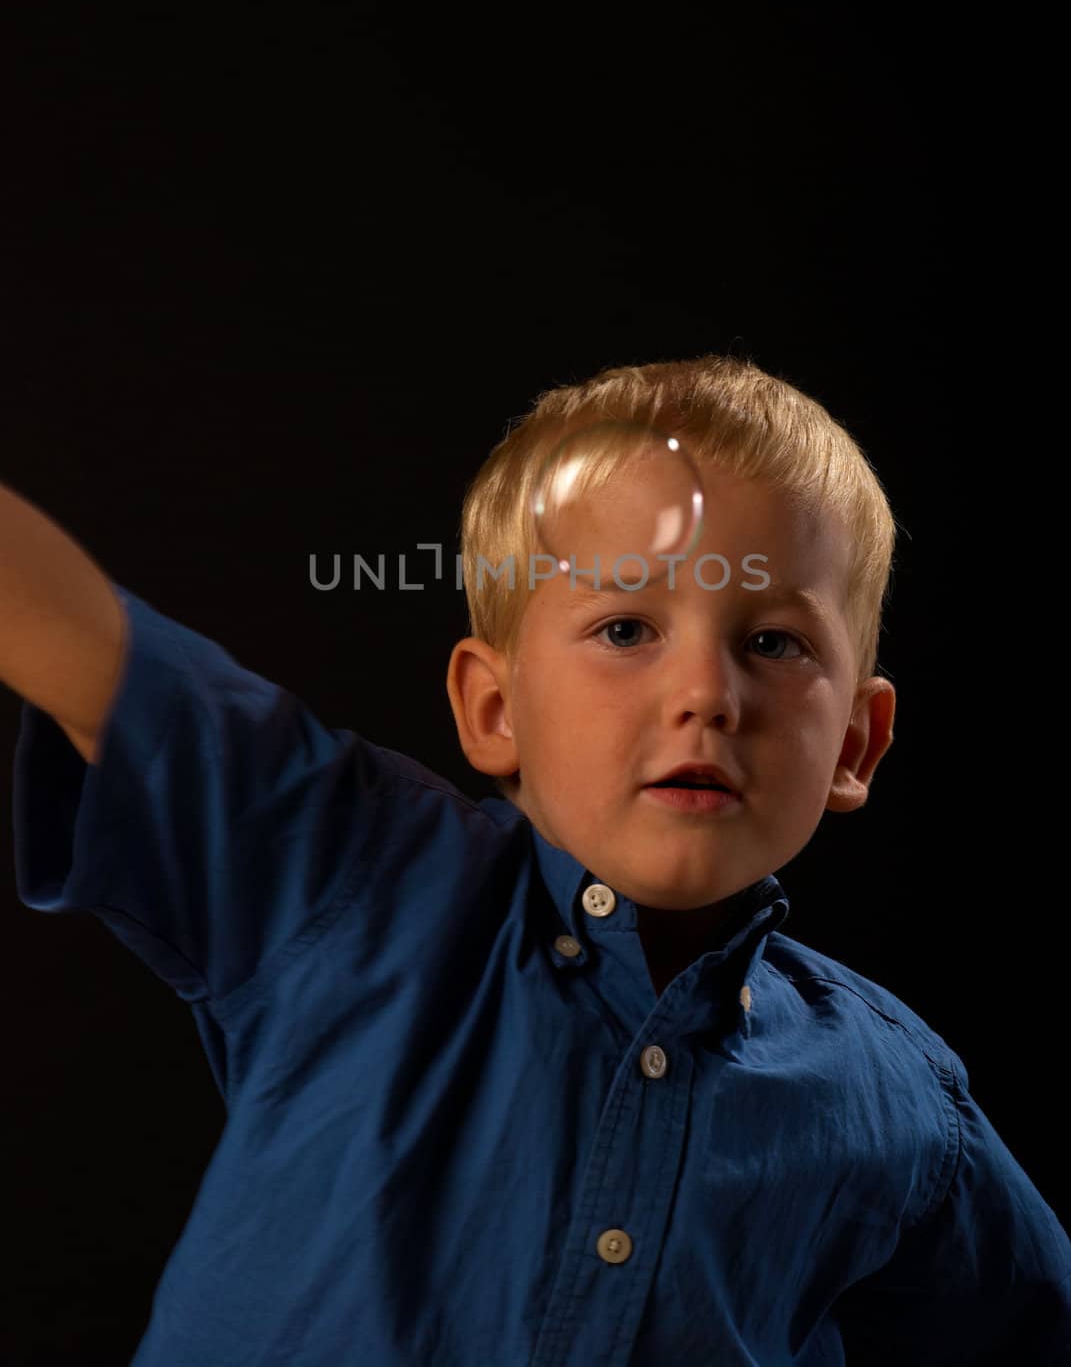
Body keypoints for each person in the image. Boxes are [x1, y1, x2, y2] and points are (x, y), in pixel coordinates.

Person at [4, 352, 1068, 1365]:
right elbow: (78, 635)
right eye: (624, 628)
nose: (706, 693)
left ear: (854, 744)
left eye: (773, 643)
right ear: (495, 707)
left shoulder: (903, 1105)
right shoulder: (353, 877)